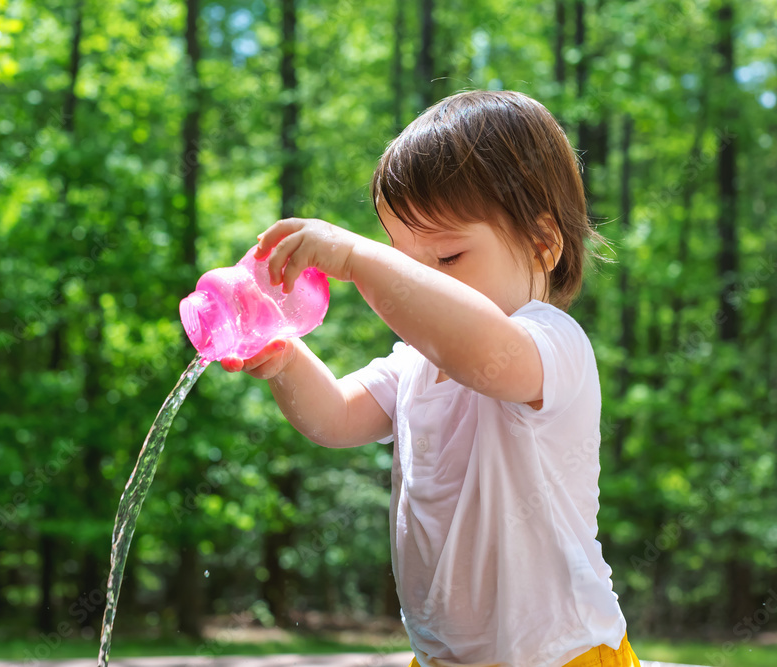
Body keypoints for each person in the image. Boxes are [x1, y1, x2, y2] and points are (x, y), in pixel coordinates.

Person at [220, 89, 639, 666]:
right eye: (399, 255)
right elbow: (336, 417)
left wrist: (361, 259)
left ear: (542, 244)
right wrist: (286, 357)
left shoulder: (551, 344)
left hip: (560, 654)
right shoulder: (415, 362)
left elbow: (481, 349)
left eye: (445, 260)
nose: (414, 282)